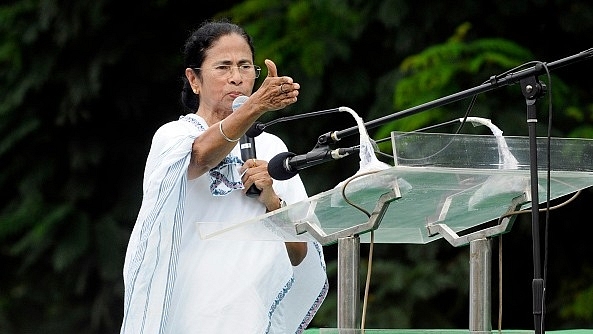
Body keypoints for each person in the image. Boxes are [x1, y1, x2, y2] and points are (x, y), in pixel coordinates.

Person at [120, 19, 328, 334]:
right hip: (184, 317)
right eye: (223, 67)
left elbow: (299, 253)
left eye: (245, 67)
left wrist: (272, 201)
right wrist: (256, 106)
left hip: (249, 319)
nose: (236, 78)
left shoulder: (273, 147)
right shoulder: (175, 136)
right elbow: (202, 155)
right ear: (194, 79)